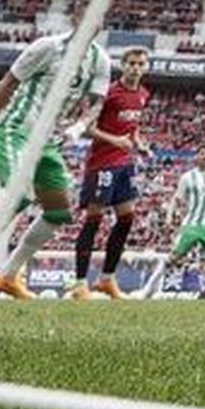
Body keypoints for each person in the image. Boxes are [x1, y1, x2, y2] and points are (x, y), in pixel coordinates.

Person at [0, 30, 111, 300]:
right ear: (76, 16)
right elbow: (8, 82)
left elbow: (97, 103)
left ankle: (7, 276)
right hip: (15, 129)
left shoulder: (100, 60)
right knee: (20, 194)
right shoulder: (46, 47)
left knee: (58, 212)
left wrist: (80, 125)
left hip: (47, 139)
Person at [68, 46, 151, 301]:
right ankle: (80, 284)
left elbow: (132, 128)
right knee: (94, 220)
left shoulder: (144, 94)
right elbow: (86, 128)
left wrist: (139, 144)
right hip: (102, 163)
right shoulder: (109, 93)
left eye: (141, 64)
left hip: (124, 164)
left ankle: (107, 279)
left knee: (127, 219)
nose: (136, 68)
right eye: (132, 63)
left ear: (146, 67)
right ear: (122, 65)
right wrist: (115, 141)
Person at [148, 145, 205, 300]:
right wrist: (169, 217)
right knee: (174, 257)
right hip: (191, 224)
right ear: (196, 157)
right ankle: (151, 288)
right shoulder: (187, 177)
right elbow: (176, 199)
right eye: (201, 153)